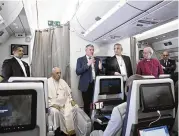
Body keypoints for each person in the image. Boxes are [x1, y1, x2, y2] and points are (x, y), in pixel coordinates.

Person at [48, 67, 77, 136]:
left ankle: (72, 131)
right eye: (57, 73)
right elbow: (46, 97)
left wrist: (71, 99)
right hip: (53, 104)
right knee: (55, 112)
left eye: (60, 73)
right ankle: (57, 130)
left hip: (65, 103)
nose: (59, 75)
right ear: (52, 74)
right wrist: (52, 104)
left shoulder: (62, 81)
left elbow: (68, 93)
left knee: (75, 108)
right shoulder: (48, 82)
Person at [76, 44, 102, 116]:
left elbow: (100, 73)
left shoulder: (97, 60)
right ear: (86, 50)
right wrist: (88, 64)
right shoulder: (80, 60)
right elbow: (78, 72)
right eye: (90, 50)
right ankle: (87, 121)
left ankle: (96, 118)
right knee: (87, 104)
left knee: (96, 103)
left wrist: (100, 69)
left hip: (95, 85)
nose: (92, 51)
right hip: (85, 85)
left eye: (93, 50)